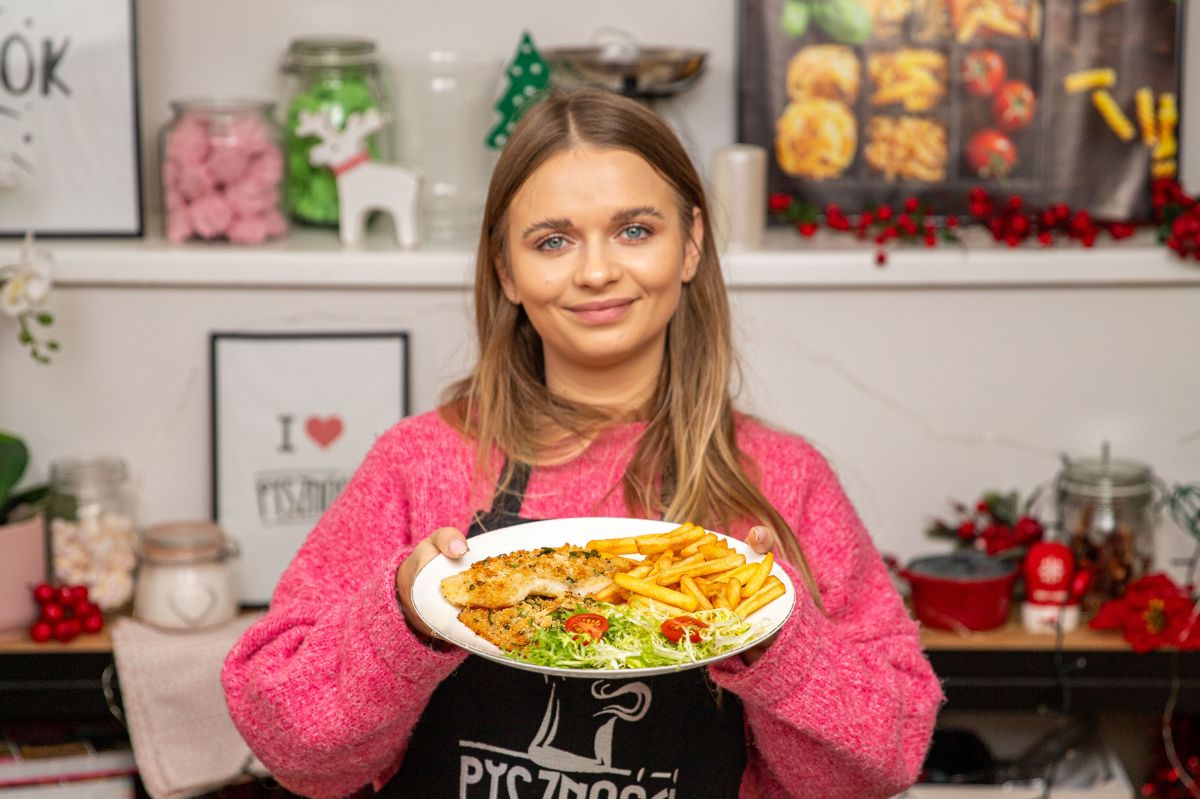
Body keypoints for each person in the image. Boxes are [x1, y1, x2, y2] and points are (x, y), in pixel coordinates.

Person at [222, 87, 942, 799]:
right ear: (507, 269)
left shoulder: (783, 478)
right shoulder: (418, 464)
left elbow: (878, 765)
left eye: (635, 230)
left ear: (690, 244)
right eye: (553, 241)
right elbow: (298, 752)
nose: (596, 271)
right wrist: (404, 613)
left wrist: (771, 631)